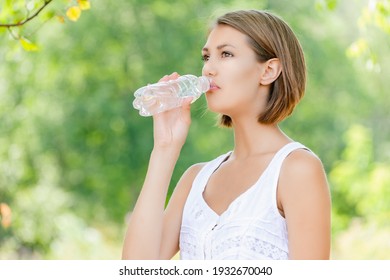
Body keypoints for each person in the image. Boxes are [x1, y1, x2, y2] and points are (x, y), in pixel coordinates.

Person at [122, 9, 331, 260]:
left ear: (268, 71)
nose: (208, 69)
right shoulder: (195, 179)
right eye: (206, 57)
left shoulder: (297, 169)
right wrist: (165, 149)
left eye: (226, 54)